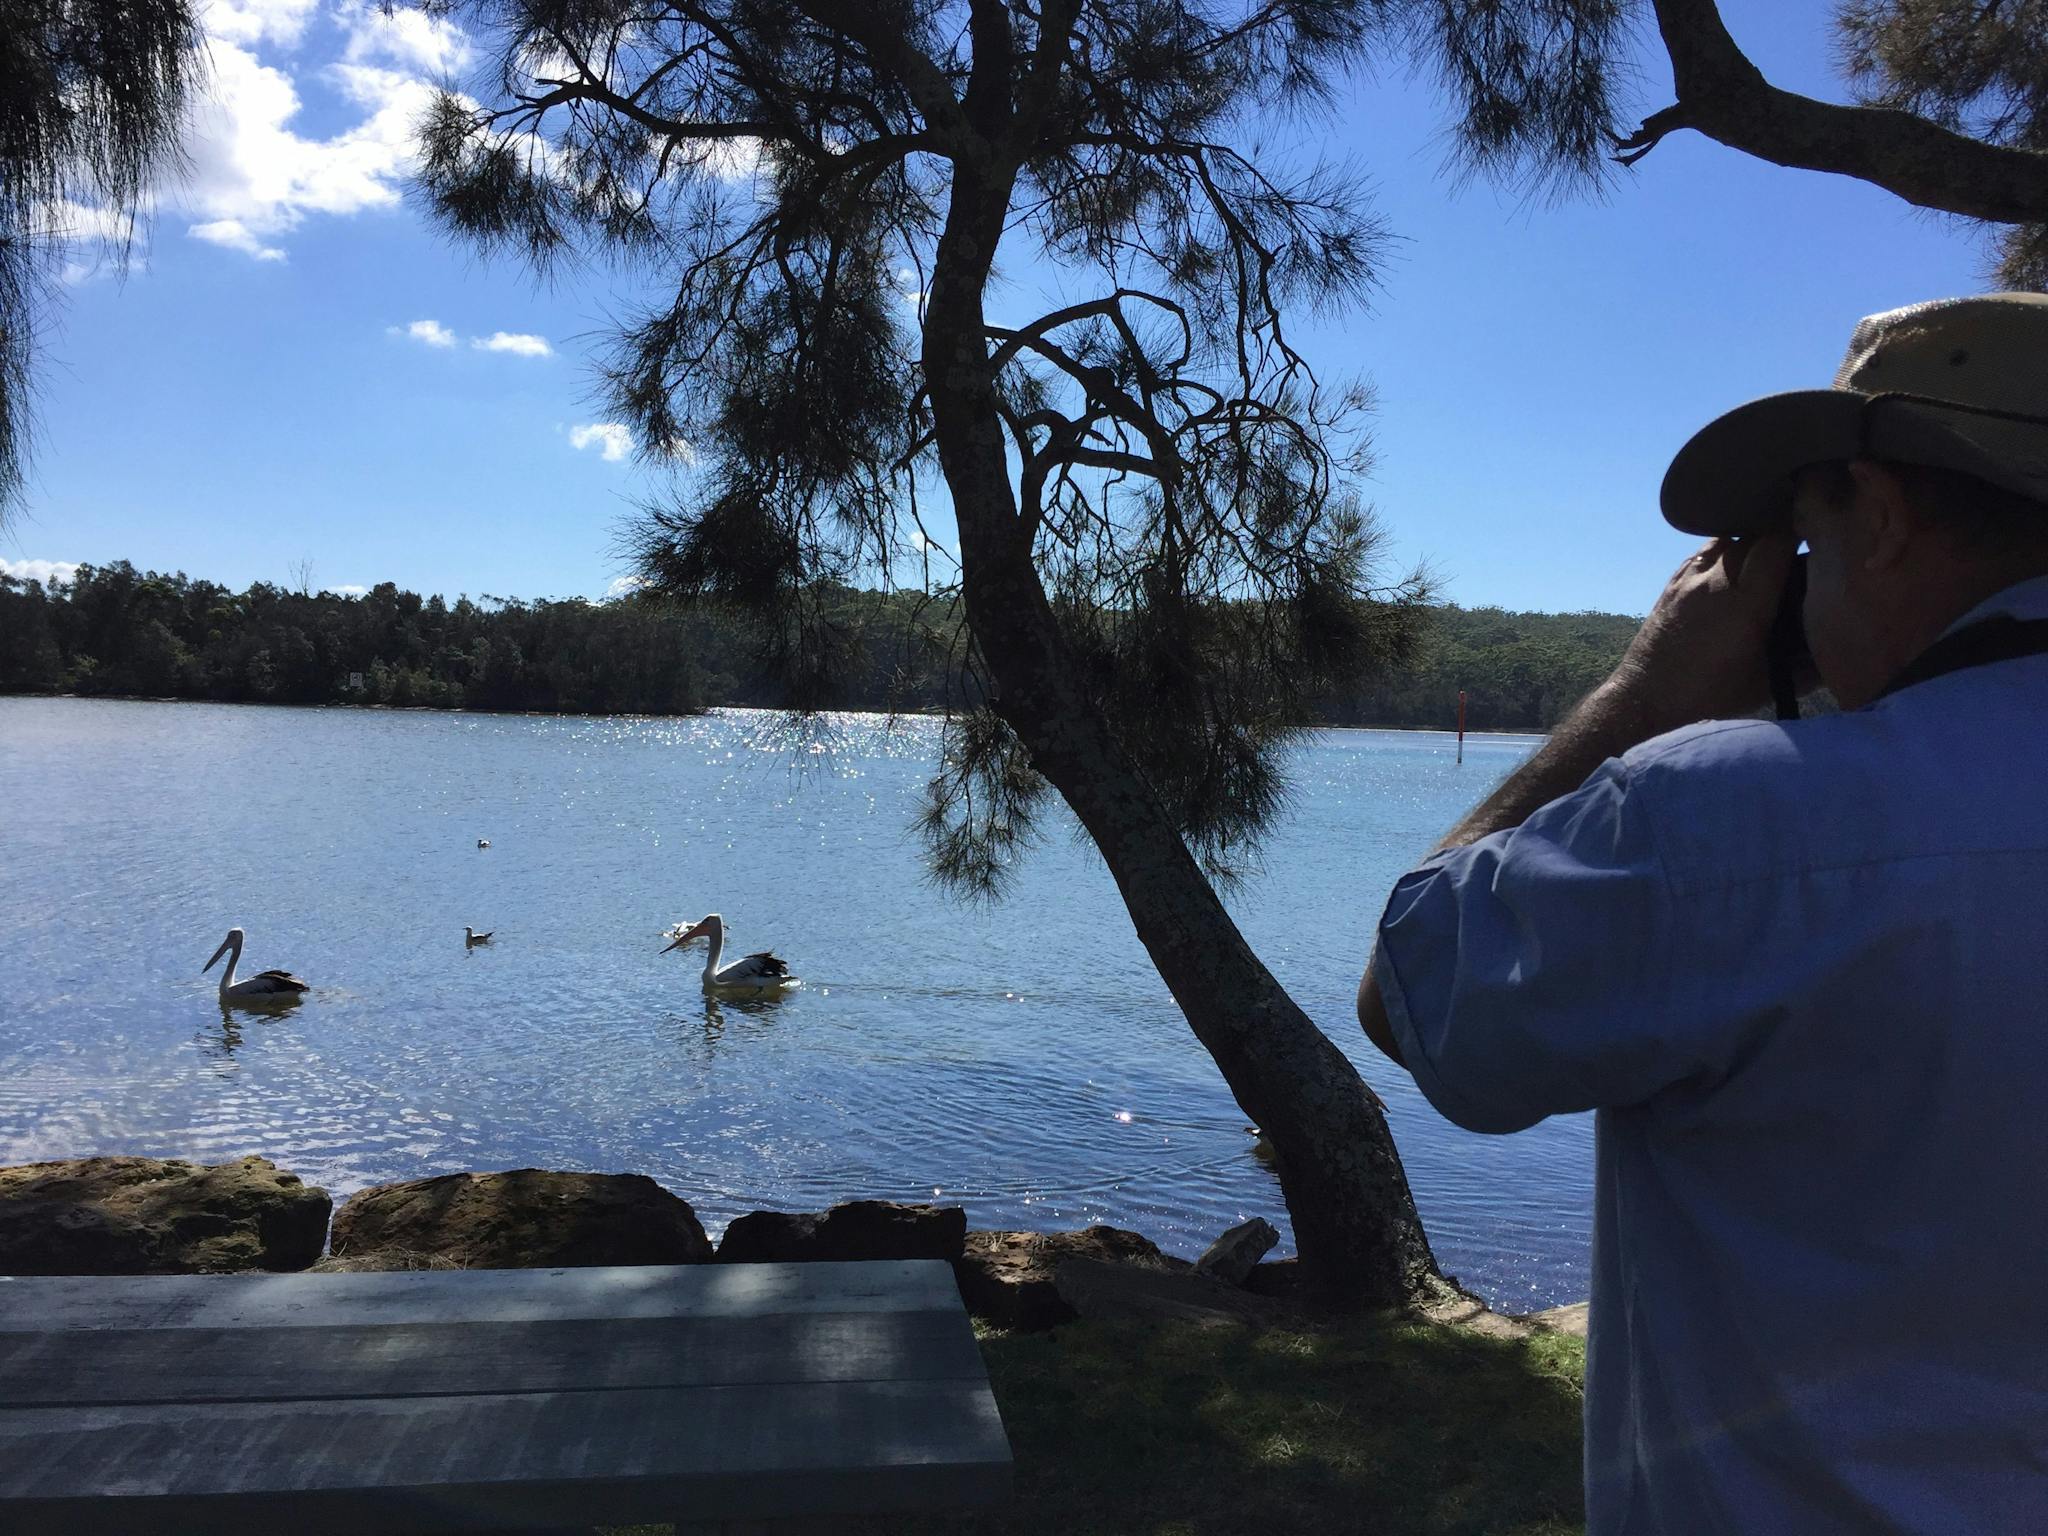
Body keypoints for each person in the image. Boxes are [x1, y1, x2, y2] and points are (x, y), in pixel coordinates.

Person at [1357, 293, 2048, 1534]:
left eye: (1798, 534)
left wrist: (1646, 691)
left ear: (1878, 517)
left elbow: (1415, 993)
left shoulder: (1733, 828)